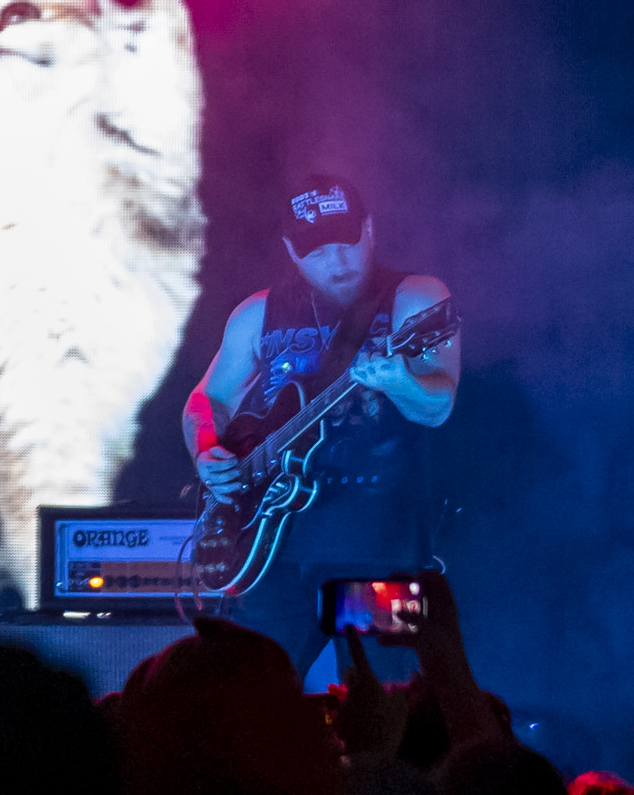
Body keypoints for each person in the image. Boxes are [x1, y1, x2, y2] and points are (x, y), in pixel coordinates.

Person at [180, 171, 460, 678]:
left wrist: (400, 381)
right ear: (291, 249)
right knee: (252, 697)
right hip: (270, 554)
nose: (337, 261)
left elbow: (437, 407)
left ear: (369, 229)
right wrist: (206, 450)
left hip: (379, 549)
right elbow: (209, 398)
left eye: (346, 241)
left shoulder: (416, 298)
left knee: (386, 700)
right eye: (317, 249)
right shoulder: (257, 313)